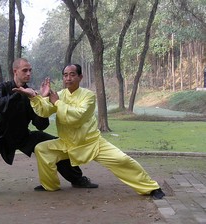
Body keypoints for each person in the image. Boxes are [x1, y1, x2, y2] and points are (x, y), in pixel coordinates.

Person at [14, 63, 165, 200]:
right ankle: (50, 185)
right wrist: (35, 97)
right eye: (65, 75)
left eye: (72, 74)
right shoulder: (59, 95)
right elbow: (44, 111)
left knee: (122, 160)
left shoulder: (88, 96)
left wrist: (56, 102)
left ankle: (151, 188)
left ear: (80, 77)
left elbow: (77, 117)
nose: (68, 78)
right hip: (67, 143)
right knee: (42, 149)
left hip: (91, 143)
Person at [0, 59, 98, 195]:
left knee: (56, 147)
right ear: (15, 71)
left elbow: (41, 125)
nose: (29, 73)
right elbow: (1, 106)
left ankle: (78, 179)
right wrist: (21, 94)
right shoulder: (2, 88)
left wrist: (42, 100)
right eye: (25, 70)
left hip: (23, 136)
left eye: (30, 70)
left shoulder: (31, 95)